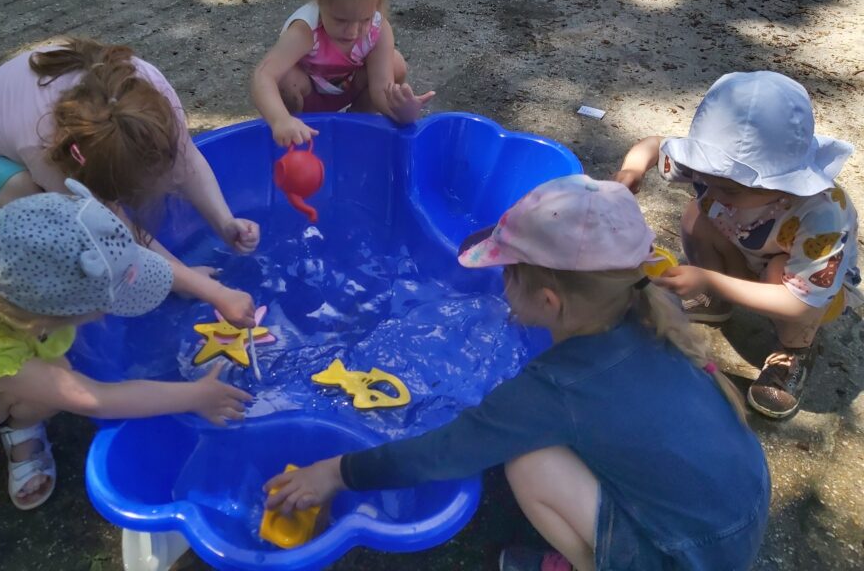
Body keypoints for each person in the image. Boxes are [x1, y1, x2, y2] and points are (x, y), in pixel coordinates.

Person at [264, 175, 770, 571]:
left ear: (550, 302)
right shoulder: (652, 315)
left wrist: (336, 472)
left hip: (689, 557)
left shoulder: (554, 388)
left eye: (508, 274)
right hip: (736, 512)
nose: (501, 284)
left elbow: (446, 451)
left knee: (528, 462)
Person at [0, 182, 252, 571]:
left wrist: (204, 288)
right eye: (104, 305)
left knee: (59, 376)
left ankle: (18, 427)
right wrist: (196, 395)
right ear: (51, 315)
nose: (107, 313)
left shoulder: (15, 288)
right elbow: (96, 398)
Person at [0, 38, 261, 327]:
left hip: (37, 136)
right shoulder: (43, 144)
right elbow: (107, 229)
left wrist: (225, 222)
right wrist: (195, 285)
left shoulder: (148, 88)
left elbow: (186, 158)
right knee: (33, 198)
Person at [614, 71, 861, 419]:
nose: (713, 192)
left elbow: (801, 303)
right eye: (705, 179)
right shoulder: (715, 176)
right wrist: (631, 171)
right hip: (746, 246)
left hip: (809, 290)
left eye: (729, 189)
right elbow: (653, 145)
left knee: (779, 274)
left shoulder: (823, 215)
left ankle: (793, 351)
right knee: (696, 214)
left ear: (783, 183)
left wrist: (708, 278)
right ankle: (717, 303)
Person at [251, 0, 434, 147]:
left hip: (347, 88)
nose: (353, 31)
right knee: (285, 79)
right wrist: (280, 120)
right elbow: (263, 75)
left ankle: (355, 126)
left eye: (365, 19)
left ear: (376, 5)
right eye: (340, 20)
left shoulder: (378, 29)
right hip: (307, 97)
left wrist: (404, 112)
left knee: (395, 64)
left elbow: (380, 91)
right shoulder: (306, 29)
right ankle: (296, 134)